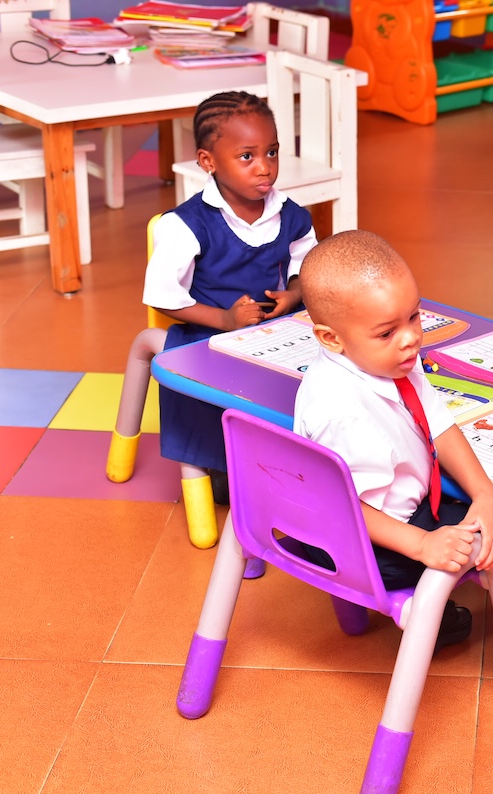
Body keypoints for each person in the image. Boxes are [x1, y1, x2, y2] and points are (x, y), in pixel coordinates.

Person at [294, 230, 493, 666]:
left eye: (414, 317)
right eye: (387, 332)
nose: (410, 339)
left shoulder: (384, 358)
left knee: (488, 505)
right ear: (330, 338)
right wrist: (422, 545)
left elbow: (438, 423)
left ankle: (437, 619)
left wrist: (484, 494)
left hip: (391, 514)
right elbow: (344, 508)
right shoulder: (341, 412)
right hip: (367, 544)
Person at [143, 91, 317, 502]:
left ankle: (308, 459)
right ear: (208, 161)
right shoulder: (184, 225)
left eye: (271, 152)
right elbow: (163, 298)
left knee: (329, 368)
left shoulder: (290, 213)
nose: (265, 168)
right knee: (208, 392)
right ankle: (222, 466)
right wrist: (224, 320)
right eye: (247, 157)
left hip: (274, 328)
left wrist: (293, 295)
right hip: (209, 331)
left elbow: (307, 266)